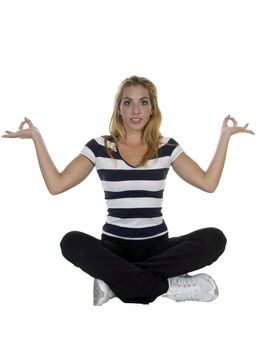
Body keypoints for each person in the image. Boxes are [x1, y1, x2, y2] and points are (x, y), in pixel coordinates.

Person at [2, 76, 254, 306]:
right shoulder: (100, 147)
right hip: (114, 247)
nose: (136, 110)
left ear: (152, 108)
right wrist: (37, 138)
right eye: (128, 102)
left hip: (158, 247)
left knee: (214, 238)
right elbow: (56, 185)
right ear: (119, 109)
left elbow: (208, 183)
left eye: (143, 102)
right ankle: (168, 286)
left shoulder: (166, 147)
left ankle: (117, 282)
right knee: (71, 242)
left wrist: (225, 137)